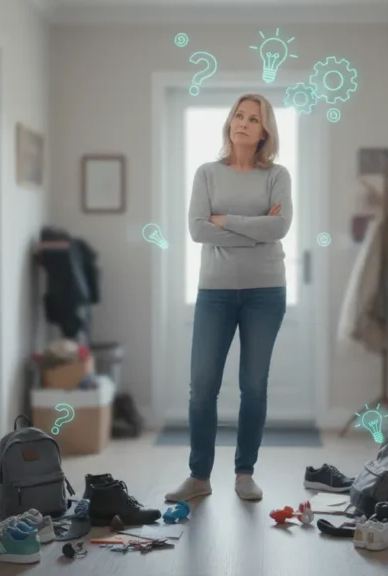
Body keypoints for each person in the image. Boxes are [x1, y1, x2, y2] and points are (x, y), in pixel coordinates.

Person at [165, 94, 293, 503]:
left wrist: (228, 221)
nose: (243, 123)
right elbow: (198, 231)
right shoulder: (206, 173)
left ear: (264, 131)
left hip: (266, 292)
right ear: (230, 122)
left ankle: (244, 473)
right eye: (239, 115)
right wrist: (256, 228)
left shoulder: (278, 175)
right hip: (215, 292)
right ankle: (199, 476)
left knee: (254, 386)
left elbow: (281, 228)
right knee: (202, 387)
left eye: (253, 119)